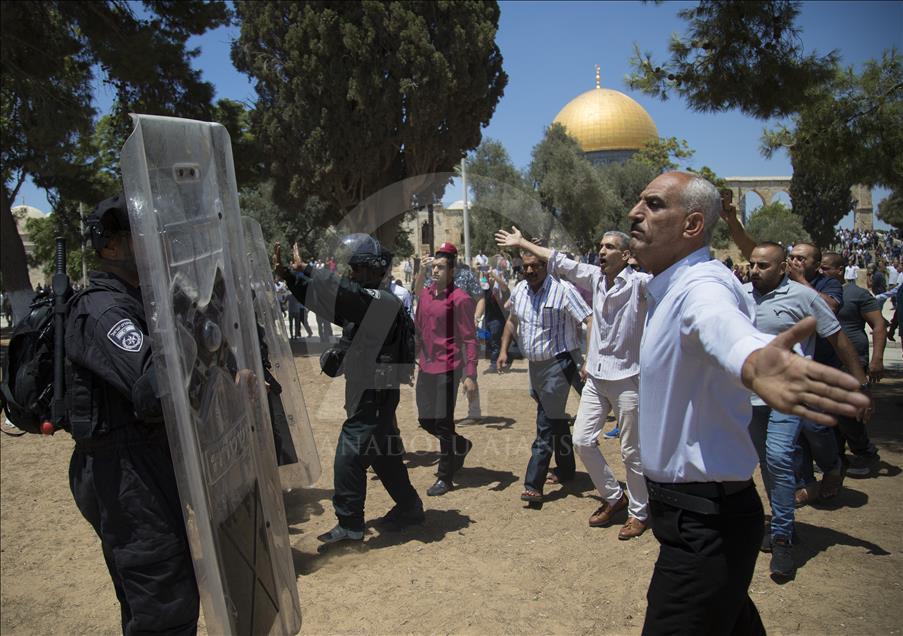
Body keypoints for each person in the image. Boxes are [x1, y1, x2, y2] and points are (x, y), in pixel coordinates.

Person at [627, 171, 868, 634]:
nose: (636, 213)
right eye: (639, 202)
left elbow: (721, 325)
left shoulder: (702, 286)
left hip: (706, 526)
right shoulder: (668, 286)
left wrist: (753, 360)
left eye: (654, 205)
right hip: (696, 517)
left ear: (693, 225)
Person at [67, 193, 199, 634]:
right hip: (124, 472)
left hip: (146, 460)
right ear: (111, 247)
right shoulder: (104, 309)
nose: (156, 245)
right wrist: (189, 339)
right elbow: (153, 391)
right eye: (142, 236)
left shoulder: (139, 301)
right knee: (163, 602)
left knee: (165, 594)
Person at [496, 227, 650, 539]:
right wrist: (522, 242)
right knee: (581, 440)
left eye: (610, 247)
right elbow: (560, 261)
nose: (603, 251)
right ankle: (613, 496)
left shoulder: (641, 284)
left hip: (628, 378)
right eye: (600, 246)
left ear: (627, 255)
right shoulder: (595, 278)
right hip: (597, 375)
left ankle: (639, 512)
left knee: (631, 450)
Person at [275, 235, 424, 543]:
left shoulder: (384, 301)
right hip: (367, 391)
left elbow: (345, 291)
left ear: (373, 271)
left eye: (357, 268)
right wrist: (291, 278)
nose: (352, 273)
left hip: (376, 392)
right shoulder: (363, 305)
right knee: (384, 454)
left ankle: (350, 525)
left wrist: (311, 269)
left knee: (348, 453)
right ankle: (410, 507)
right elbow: (326, 301)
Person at [742, 242, 859, 579]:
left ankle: (782, 537)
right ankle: (781, 520)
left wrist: (858, 379)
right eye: (752, 264)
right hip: (750, 396)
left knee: (779, 456)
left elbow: (835, 336)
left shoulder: (803, 297)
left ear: (783, 268)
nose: (755, 271)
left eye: (763, 266)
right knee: (767, 462)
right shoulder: (742, 295)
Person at [497, 249, 591, 504]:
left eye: (534, 266)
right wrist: (504, 350)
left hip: (560, 363)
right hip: (535, 366)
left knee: (546, 422)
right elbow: (512, 321)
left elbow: (589, 319)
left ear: (546, 265)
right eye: (524, 267)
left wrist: (589, 357)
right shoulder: (520, 291)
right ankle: (567, 469)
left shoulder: (563, 290)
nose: (529, 271)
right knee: (556, 419)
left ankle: (533, 484)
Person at [414, 242, 478, 496]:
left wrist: (470, 374)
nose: (435, 271)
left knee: (443, 423)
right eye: (434, 267)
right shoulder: (426, 296)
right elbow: (419, 328)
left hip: (449, 368)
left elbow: (470, 338)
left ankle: (445, 477)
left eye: (441, 267)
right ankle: (460, 445)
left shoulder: (461, 299)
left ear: (451, 272)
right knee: (425, 420)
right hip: (426, 366)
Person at [821, 252, 884, 476]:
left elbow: (878, 325)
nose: (822, 272)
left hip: (853, 360)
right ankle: (837, 458)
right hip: (828, 360)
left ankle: (866, 454)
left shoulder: (857, 294)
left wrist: (877, 359)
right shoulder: (818, 293)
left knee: (848, 411)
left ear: (840, 270)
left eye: (827, 268)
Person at [473, 269, 510, 373]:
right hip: (488, 319)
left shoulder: (501, 290)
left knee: (495, 342)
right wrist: (482, 273)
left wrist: (494, 275)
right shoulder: (487, 289)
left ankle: (494, 364)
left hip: (497, 320)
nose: (490, 278)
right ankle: (499, 360)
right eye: (489, 277)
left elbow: (503, 285)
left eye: (492, 277)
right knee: (488, 341)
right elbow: (482, 281)